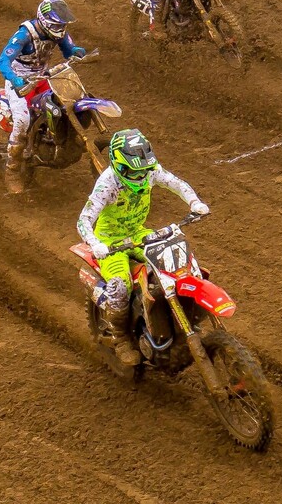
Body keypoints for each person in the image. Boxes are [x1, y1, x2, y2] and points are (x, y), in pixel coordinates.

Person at [76, 129, 208, 368]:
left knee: (174, 260)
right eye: (134, 171)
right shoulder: (107, 184)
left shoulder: (150, 171)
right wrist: (96, 245)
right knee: (120, 287)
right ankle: (121, 339)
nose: (140, 176)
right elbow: (84, 220)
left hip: (138, 232)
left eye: (143, 170)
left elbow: (176, 183)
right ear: (119, 165)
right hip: (111, 240)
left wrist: (194, 202)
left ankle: (179, 313)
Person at [0, 0, 86, 192]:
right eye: (57, 24)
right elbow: (3, 61)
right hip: (19, 81)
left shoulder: (58, 33)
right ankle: (12, 171)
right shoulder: (24, 35)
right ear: (45, 20)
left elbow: (69, 49)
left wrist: (78, 52)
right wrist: (15, 80)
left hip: (44, 77)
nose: (61, 28)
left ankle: (60, 140)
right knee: (21, 121)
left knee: (66, 102)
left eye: (62, 24)